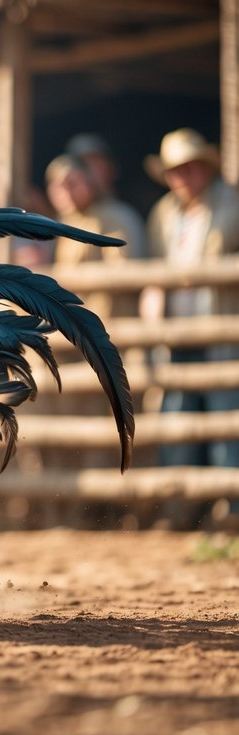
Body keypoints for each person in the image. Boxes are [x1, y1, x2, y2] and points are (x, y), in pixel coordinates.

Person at [140, 128, 239, 518]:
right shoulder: (163, 214)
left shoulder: (230, 204)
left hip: (221, 329)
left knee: (225, 418)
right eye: (175, 170)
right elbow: (154, 270)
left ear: (205, 167)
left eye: (189, 168)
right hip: (177, 333)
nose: (182, 177)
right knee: (178, 419)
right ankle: (181, 510)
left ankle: (231, 509)